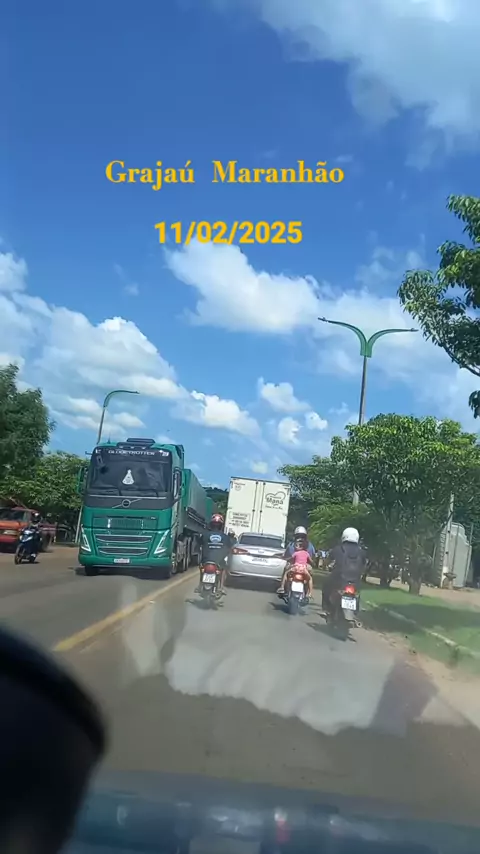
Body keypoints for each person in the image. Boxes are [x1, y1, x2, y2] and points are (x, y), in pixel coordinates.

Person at [322, 527, 366, 613]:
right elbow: (364, 565)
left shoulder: (338, 549)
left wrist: (325, 566)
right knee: (357, 593)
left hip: (339, 578)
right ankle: (356, 609)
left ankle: (326, 608)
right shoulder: (361, 552)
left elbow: (327, 561)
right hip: (355, 581)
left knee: (326, 586)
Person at [196, 513, 232, 596]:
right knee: (223, 569)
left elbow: (199, 544)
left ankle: (200, 585)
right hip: (218, 561)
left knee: (201, 567)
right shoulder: (225, 537)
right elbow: (229, 548)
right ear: (221, 525)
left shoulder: (205, 535)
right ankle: (221, 587)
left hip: (206, 559)